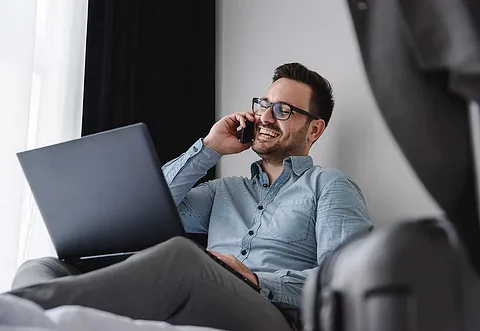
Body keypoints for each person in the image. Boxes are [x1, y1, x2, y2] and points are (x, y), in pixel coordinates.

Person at [7, 62, 373, 331]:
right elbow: (143, 211)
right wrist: (210, 148)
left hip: (274, 315)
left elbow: (342, 284)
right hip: (209, 297)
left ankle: (11, 311)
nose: (264, 117)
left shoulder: (331, 186)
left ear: (315, 128)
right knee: (43, 267)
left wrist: (256, 279)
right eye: (263, 104)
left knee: (183, 257)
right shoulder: (224, 191)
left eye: (283, 110)